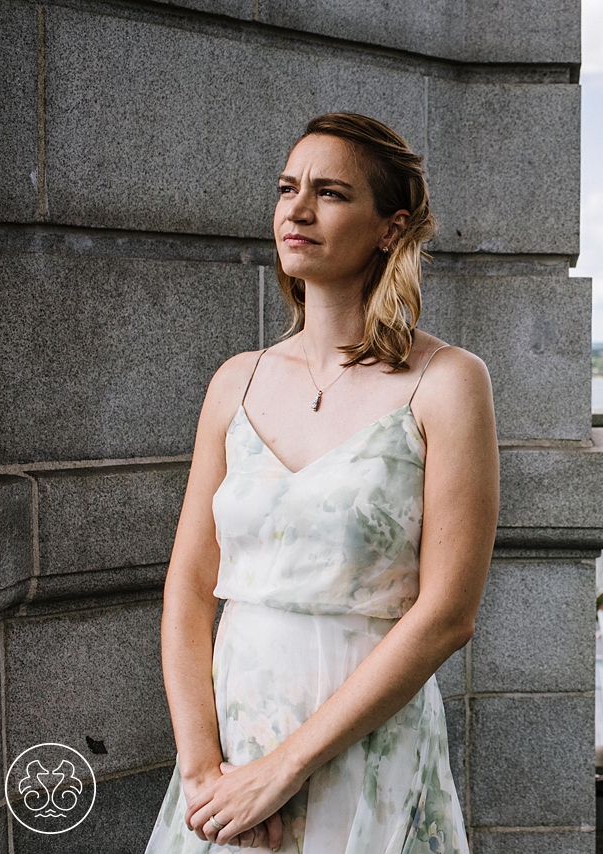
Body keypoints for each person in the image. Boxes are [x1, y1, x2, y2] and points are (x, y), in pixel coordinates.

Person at [145, 113, 499, 852]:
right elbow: (187, 586)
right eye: (287, 188)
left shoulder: (447, 384)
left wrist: (284, 769)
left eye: (330, 192)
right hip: (230, 750)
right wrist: (207, 771)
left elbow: (447, 615)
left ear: (389, 229)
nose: (297, 210)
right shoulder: (234, 383)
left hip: (360, 747)